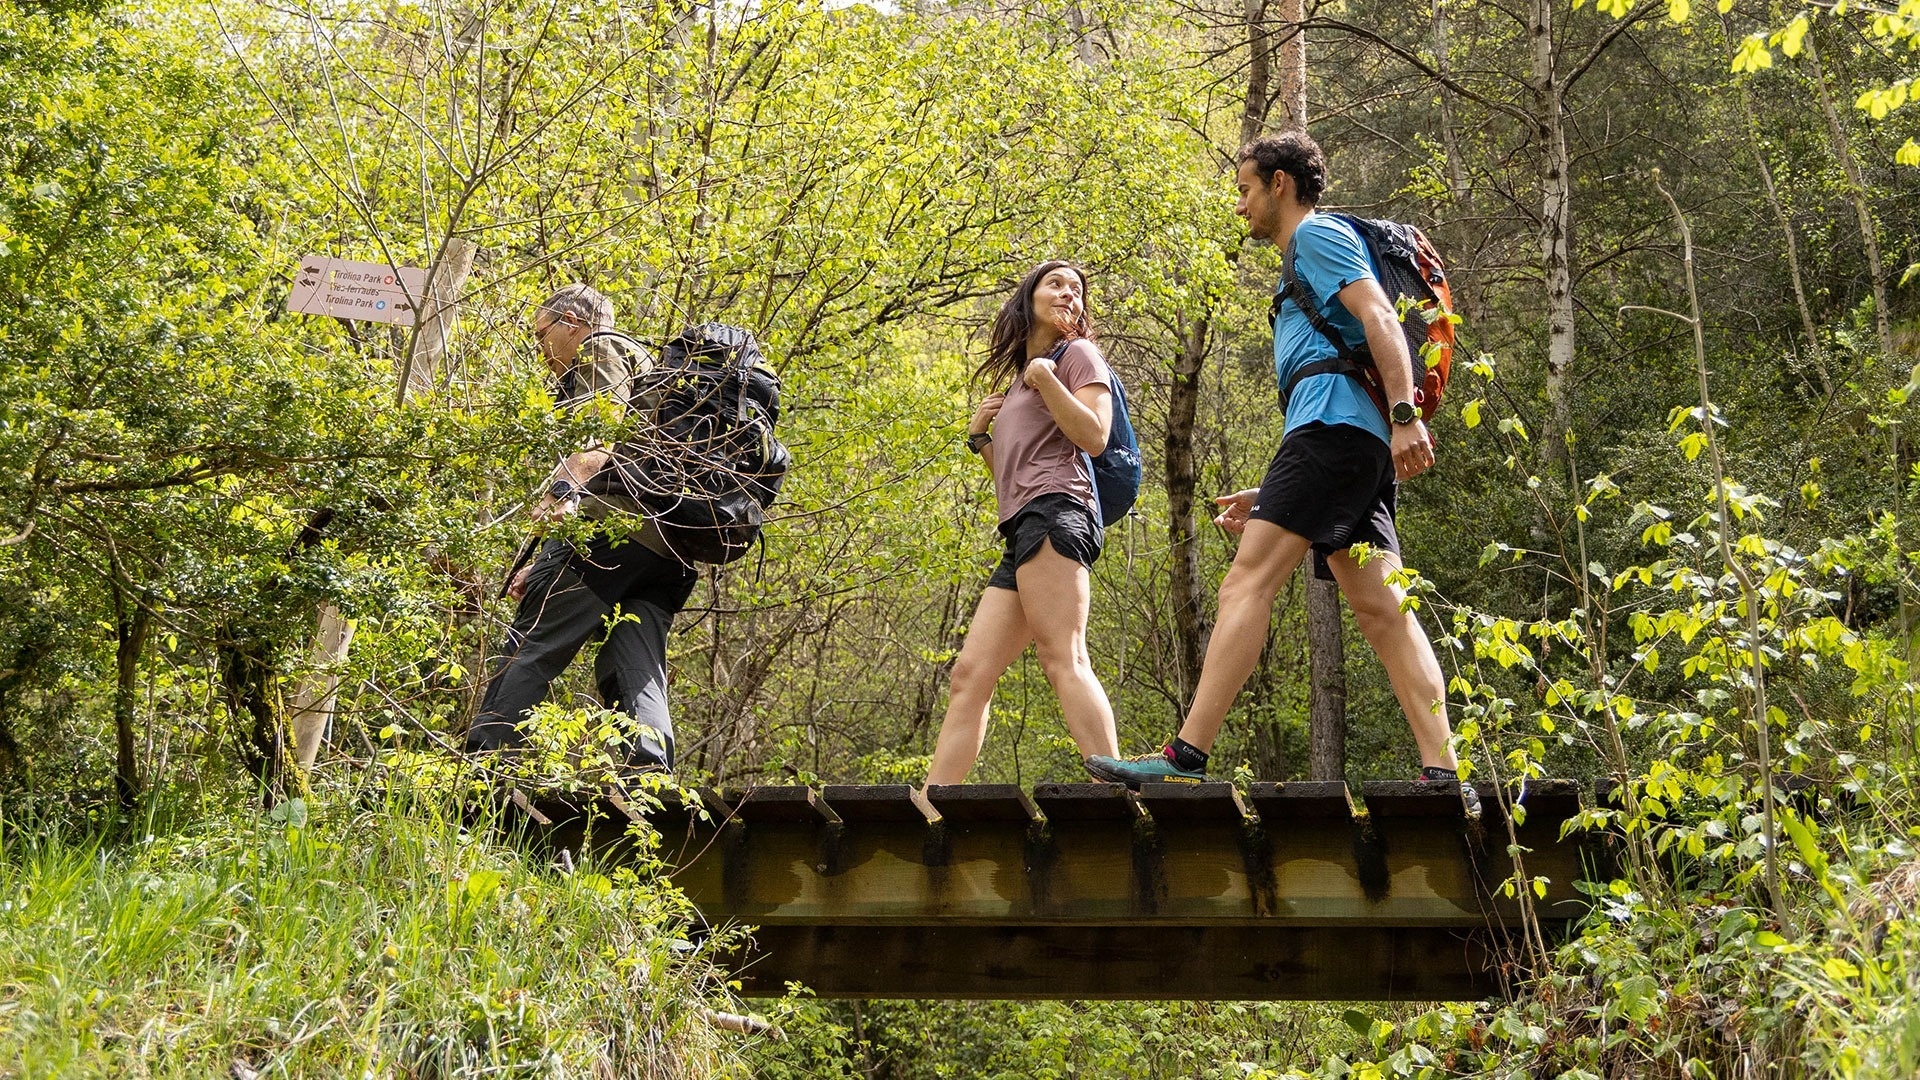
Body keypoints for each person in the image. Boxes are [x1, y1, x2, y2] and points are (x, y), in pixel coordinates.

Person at [1084, 132, 1476, 815]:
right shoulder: (1311, 251)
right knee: (1383, 608)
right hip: (1351, 444)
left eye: (1245, 190)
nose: (1240, 207)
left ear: (1280, 185)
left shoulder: (1317, 238)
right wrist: (1280, 490)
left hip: (1333, 432)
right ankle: (1444, 773)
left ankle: (1186, 757)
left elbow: (1379, 316)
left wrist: (1408, 412)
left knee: (1248, 579)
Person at [464, 284, 698, 773]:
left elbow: (598, 438)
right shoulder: (657, 374)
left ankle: (483, 770)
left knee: (534, 644)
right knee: (635, 661)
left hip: (609, 537)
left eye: (540, 335)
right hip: (669, 550)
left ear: (571, 322)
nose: (539, 350)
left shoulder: (600, 347)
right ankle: (649, 779)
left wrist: (560, 496)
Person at [924, 261, 1122, 785]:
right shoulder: (1018, 384)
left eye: (1077, 290)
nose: (1069, 294)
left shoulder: (1076, 356)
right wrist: (980, 438)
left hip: (1059, 512)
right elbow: (1013, 476)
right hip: (1023, 525)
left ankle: (1121, 797)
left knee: (1064, 656)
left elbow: (1095, 436)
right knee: (969, 675)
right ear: (1028, 297)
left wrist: (1047, 381)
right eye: (1056, 284)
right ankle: (933, 803)